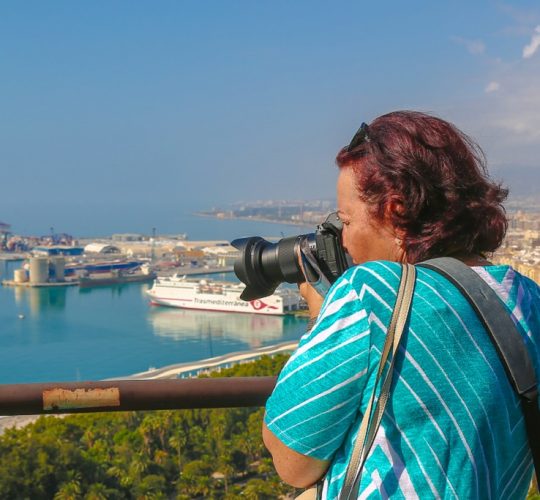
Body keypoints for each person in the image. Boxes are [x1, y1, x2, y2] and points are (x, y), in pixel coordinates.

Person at [262, 111, 540, 499]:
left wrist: (319, 315)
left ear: (395, 211)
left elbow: (293, 461)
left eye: (346, 221)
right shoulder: (528, 298)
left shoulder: (371, 292)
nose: (342, 241)